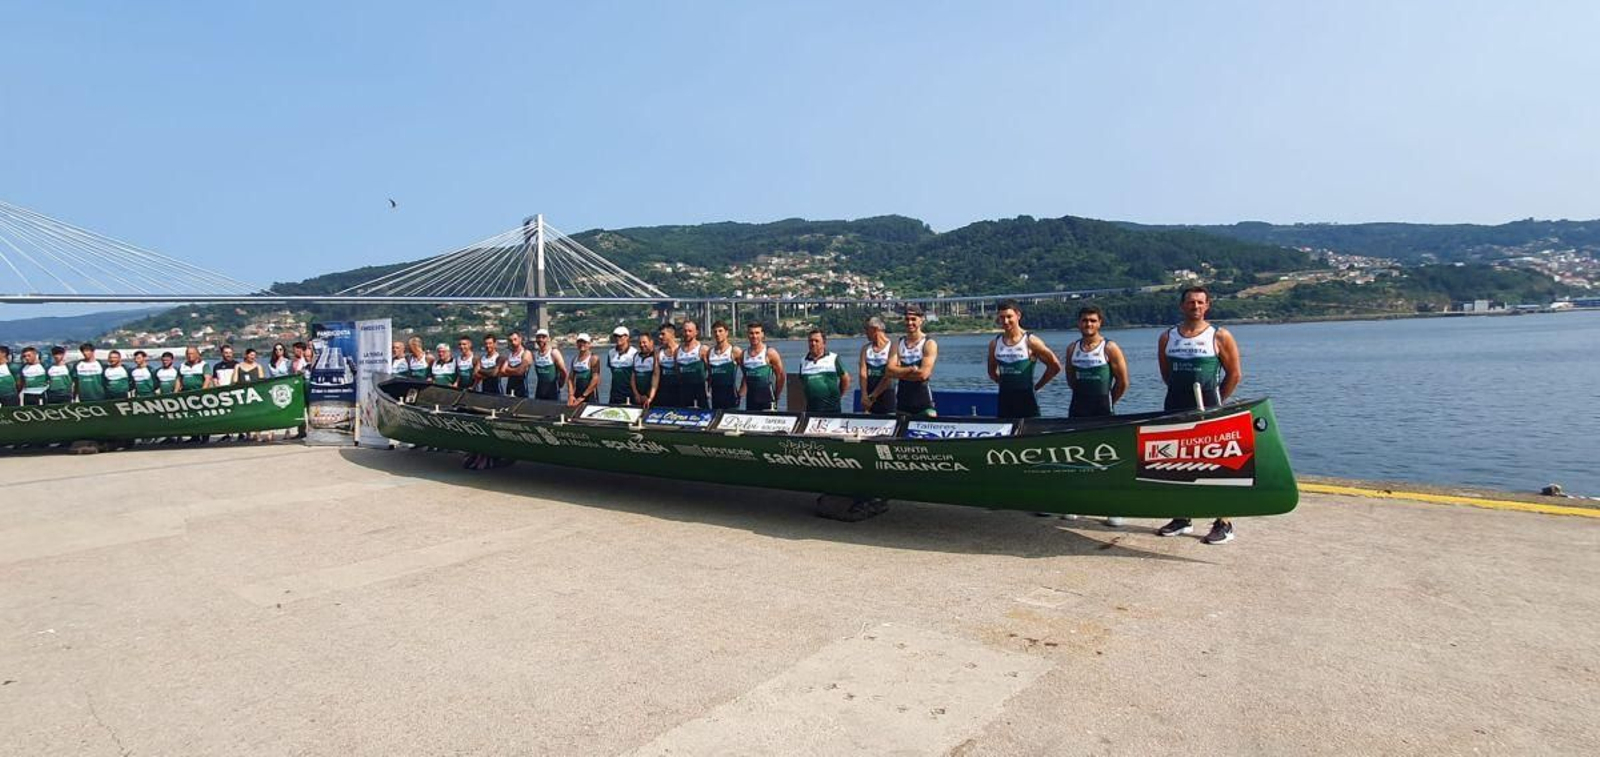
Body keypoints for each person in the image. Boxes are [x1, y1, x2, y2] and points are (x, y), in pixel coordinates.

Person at [1154, 286, 1245, 545]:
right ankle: (1182, 517)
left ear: (1207, 306)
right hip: (1175, 405)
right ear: (1182, 306)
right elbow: (1165, 374)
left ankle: (1224, 522)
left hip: (1209, 407)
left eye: (1200, 302)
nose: (1195, 306)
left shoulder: (1220, 335)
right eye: (1190, 302)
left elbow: (1235, 374)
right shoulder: (1167, 337)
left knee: (1216, 465)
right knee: (1174, 462)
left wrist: (1216, 404)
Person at [987, 300, 1063, 419]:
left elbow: (1055, 366)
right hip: (1005, 401)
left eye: (1009, 316)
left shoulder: (1031, 341)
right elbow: (991, 372)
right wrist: (1005, 384)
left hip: (1027, 401)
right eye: (1002, 317)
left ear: (1018, 316)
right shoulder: (995, 344)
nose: (1005, 321)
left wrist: (1037, 386)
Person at [1064, 306, 1129, 418]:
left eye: (1093, 321)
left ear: (1100, 323)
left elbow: (1123, 382)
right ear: (1078, 323)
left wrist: (1109, 401)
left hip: (1103, 408)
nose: (1088, 324)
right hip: (1077, 407)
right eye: (1084, 320)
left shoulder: (1110, 347)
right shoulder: (1072, 348)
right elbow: (1071, 380)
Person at [888, 305, 938, 417]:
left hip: (923, 405)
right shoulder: (897, 343)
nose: (910, 323)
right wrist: (911, 369)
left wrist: (900, 373)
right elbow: (889, 371)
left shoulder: (929, 343)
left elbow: (923, 375)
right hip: (902, 404)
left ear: (921, 320)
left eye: (913, 319)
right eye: (907, 319)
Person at [799, 329, 850, 413]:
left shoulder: (833, 358)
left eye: (816, 341)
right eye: (810, 341)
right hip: (811, 410)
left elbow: (845, 379)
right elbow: (803, 383)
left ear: (824, 343)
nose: (813, 343)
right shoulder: (803, 361)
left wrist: (838, 396)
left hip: (832, 410)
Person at [739, 322, 784, 411]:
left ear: (762, 334)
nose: (754, 336)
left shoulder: (770, 353)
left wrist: (777, 396)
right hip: (751, 401)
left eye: (757, 333)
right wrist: (740, 394)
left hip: (767, 400)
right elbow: (745, 376)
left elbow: (781, 376)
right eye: (751, 333)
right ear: (747, 335)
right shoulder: (743, 355)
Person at [858, 316, 897, 415]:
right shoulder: (865, 349)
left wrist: (873, 396)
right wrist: (864, 395)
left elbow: (889, 376)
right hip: (869, 399)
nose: (865, 332)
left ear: (875, 329)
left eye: (867, 329)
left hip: (887, 397)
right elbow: (863, 374)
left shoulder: (893, 347)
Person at [706, 320, 742, 410]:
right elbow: (710, 375)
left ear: (726, 333)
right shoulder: (710, 352)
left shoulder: (735, 351)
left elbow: (747, 373)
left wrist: (741, 392)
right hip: (715, 397)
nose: (717, 334)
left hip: (731, 396)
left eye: (720, 331)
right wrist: (708, 390)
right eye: (715, 332)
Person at [676, 320, 710, 409]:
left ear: (696, 332)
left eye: (690, 331)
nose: (687, 333)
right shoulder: (677, 351)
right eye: (685, 331)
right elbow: (677, 372)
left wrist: (709, 390)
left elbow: (710, 372)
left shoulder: (703, 349)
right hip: (684, 392)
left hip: (700, 391)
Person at [529, 329, 566, 401]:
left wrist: (560, 385)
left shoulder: (554, 352)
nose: (541, 340)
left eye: (543, 337)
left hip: (553, 391)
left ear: (548, 339)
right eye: (538, 337)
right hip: (540, 390)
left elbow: (564, 372)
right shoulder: (536, 355)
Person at [605, 326, 638, 405]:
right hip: (614, 394)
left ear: (627, 337)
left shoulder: (634, 353)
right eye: (616, 336)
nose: (617, 338)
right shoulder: (611, 353)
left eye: (620, 336)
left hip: (629, 393)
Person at [566, 333, 600, 406]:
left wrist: (583, 396)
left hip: (590, 396)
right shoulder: (575, 359)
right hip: (577, 394)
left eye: (584, 342)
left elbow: (595, 379)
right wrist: (571, 395)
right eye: (579, 342)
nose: (581, 344)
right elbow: (570, 379)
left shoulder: (593, 358)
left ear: (589, 344)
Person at [655, 323, 682, 408]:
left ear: (672, 334)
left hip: (679, 393)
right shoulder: (659, 352)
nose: (660, 337)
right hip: (663, 393)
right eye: (660, 334)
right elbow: (656, 375)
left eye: (663, 334)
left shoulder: (681, 350)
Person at [631, 332, 659, 408]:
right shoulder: (636, 356)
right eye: (640, 343)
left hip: (652, 398)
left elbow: (656, 377)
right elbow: (633, 378)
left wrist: (648, 396)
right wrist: (636, 394)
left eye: (644, 342)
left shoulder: (656, 356)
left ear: (651, 342)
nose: (642, 345)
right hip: (638, 398)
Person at [501, 331, 532, 397]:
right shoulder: (510, 354)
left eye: (515, 339)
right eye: (511, 340)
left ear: (520, 339)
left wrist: (508, 369)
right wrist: (515, 370)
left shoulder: (526, 353)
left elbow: (520, 372)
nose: (513, 342)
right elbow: (502, 371)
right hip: (509, 387)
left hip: (521, 388)